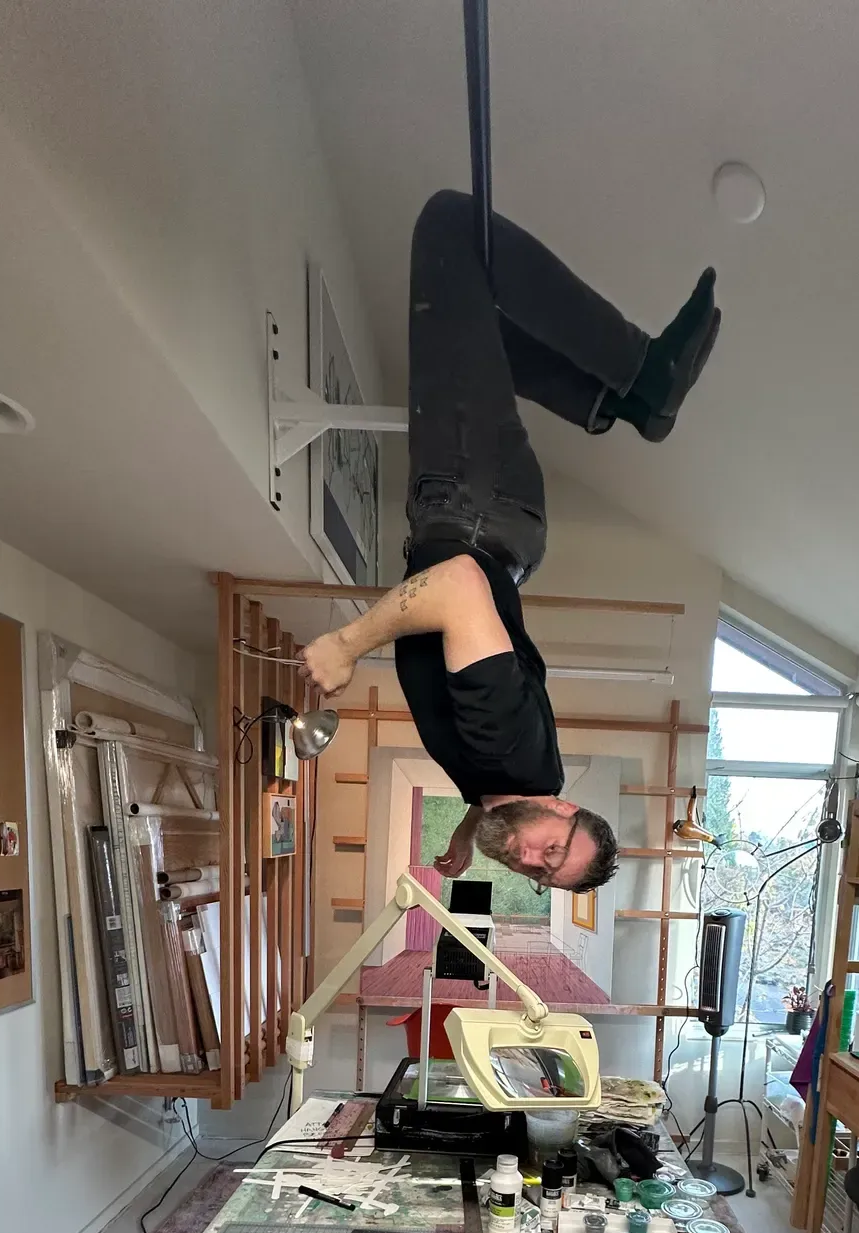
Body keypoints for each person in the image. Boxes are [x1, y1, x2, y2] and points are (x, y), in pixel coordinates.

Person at [299, 190, 720, 891]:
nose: (528, 858)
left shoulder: (513, 779)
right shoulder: (510, 750)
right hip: (473, 502)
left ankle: (610, 401)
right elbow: (461, 588)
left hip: (494, 518)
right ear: (563, 807)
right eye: (551, 849)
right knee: (448, 226)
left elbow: (496, 782)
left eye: (540, 874)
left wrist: (472, 827)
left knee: (477, 327)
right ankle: (640, 374)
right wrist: (346, 644)